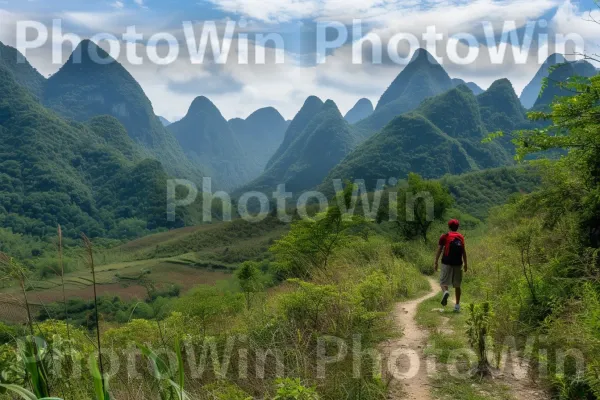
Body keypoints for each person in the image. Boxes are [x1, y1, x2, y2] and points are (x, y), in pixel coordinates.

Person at [434, 219, 468, 312]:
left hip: (446, 262)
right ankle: (457, 306)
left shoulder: (444, 236)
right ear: (457, 227)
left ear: (449, 227)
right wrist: (465, 264)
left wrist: (436, 262)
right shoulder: (460, 237)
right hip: (458, 263)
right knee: (457, 285)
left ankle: (445, 292)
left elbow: (439, 250)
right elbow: (463, 251)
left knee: (443, 282)